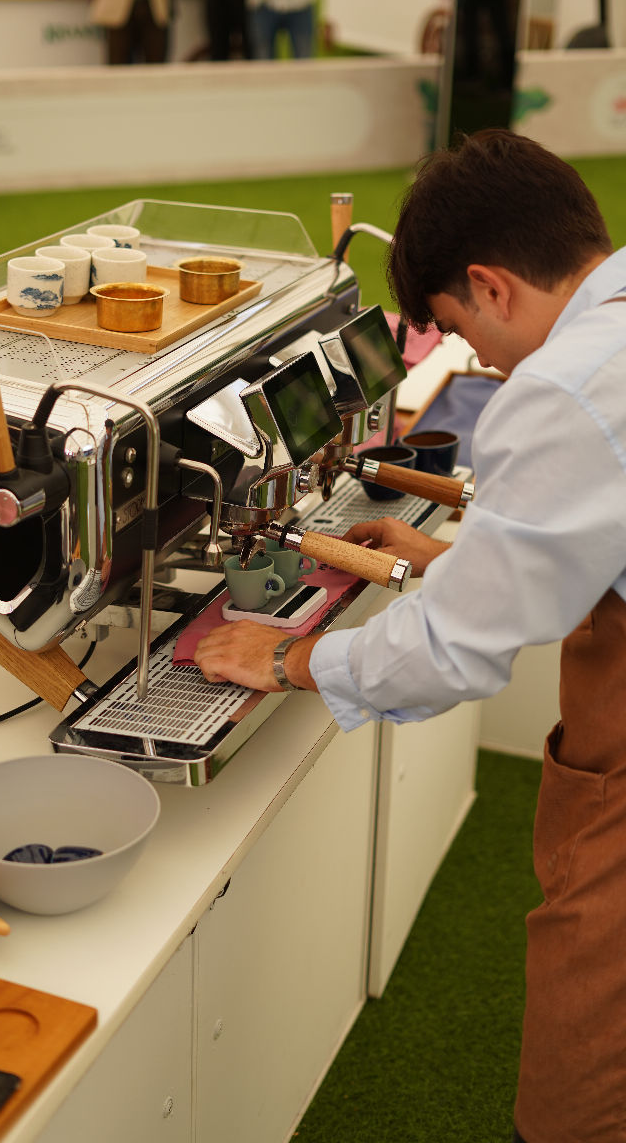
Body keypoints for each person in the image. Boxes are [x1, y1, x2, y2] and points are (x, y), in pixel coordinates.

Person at [194, 128, 626, 1143]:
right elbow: (585, 544)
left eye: (454, 327)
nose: (473, 358)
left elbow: (455, 652)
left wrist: (291, 656)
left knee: (584, 1053)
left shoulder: (562, 387)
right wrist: (449, 562)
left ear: (488, 284)